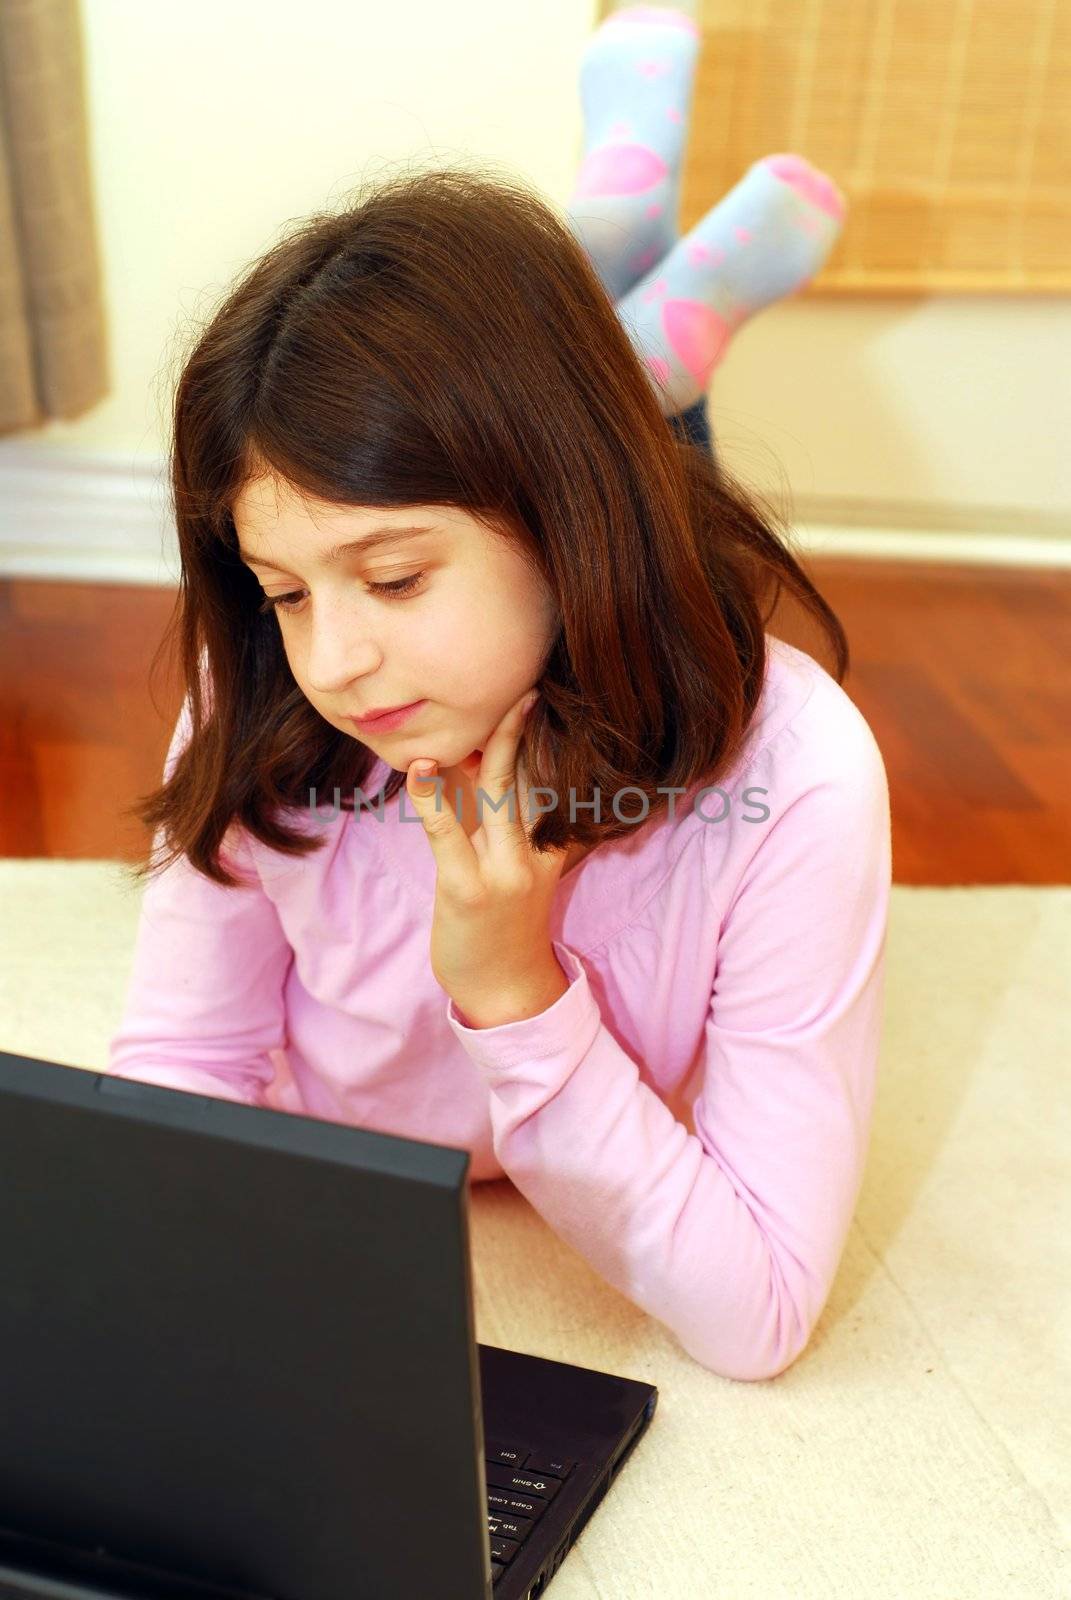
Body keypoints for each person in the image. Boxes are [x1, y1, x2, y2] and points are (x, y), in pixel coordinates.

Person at [108, 31, 889, 1385]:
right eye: (284, 591)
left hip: (608, 549)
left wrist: (513, 991)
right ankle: (643, 298)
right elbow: (188, 1056)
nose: (336, 661)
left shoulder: (796, 777)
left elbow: (754, 1315)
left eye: (394, 576)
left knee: (627, 452)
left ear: (558, 522)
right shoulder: (266, 699)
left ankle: (635, 300)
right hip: (570, 495)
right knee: (592, 426)